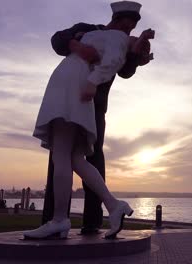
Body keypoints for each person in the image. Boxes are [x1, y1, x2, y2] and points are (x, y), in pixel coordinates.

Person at [24, 1, 154, 240]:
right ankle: (82, 212)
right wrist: (78, 45)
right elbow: (58, 39)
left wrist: (134, 55)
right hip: (78, 93)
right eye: (127, 24)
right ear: (115, 19)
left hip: (88, 100)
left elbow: (123, 69)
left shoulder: (123, 41)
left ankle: (83, 220)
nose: (129, 29)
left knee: (76, 157)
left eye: (133, 26)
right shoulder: (90, 29)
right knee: (68, 158)